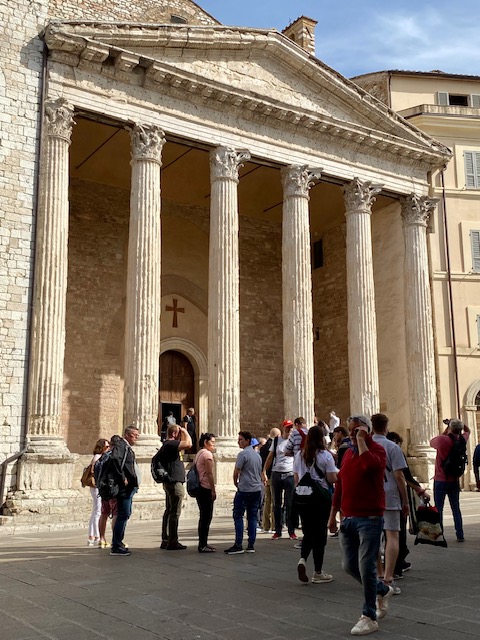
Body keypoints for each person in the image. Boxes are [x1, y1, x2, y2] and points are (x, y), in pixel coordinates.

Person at [328, 415, 394, 636]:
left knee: (367, 568)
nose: (353, 434)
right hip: (349, 518)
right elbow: (340, 485)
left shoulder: (377, 451)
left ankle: (369, 616)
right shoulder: (347, 454)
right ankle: (382, 589)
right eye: (351, 430)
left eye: (358, 430)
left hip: (370, 518)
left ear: (367, 430)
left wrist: (364, 441)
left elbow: (368, 467)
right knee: (349, 566)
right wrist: (332, 514)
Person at [293, 425, 338, 584]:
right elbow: (332, 478)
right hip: (320, 499)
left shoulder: (299, 455)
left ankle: (303, 559)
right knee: (320, 534)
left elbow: (296, 478)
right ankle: (318, 572)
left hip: (303, 498)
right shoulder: (326, 456)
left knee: (308, 532)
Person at [371, 413, 409, 595]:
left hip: (371, 494)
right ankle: (388, 578)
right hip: (391, 495)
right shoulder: (393, 447)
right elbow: (399, 476)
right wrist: (405, 500)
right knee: (392, 535)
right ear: (386, 427)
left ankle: (378, 575)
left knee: (374, 536)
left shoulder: (367, 446)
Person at [386, 431, 429, 577]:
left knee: (385, 534)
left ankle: (387, 568)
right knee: (397, 534)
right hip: (394, 497)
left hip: (378, 497)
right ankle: (396, 567)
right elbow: (403, 476)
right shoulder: (395, 451)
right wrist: (417, 492)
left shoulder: (375, 449)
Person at [430, 418, 470, 542]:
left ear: (450, 428)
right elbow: (468, 430)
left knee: (439, 508)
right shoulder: (463, 439)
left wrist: (446, 429)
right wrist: (460, 424)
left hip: (441, 479)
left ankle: (440, 534)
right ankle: (460, 534)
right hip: (454, 480)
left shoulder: (443, 439)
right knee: (456, 508)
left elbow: (432, 442)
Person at [224, 431, 263, 554]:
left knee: (238, 516)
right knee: (252, 517)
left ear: (247, 441)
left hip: (245, 489)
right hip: (256, 489)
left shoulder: (243, 454)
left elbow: (236, 472)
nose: (238, 441)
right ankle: (251, 544)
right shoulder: (257, 455)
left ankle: (238, 544)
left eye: (241, 439)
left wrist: (236, 483)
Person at [262, 420, 297, 540]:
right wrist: (264, 472)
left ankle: (291, 530)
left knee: (290, 503)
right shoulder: (277, 441)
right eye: (288, 428)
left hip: (290, 474)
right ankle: (277, 530)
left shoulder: (294, 441)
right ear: (283, 428)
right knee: (276, 504)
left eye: (291, 428)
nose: (289, 430)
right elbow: (270, 457)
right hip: (276, 473)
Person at [159, 424, 192, 550]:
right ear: (174, 434)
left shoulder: (167, 445)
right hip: (174, 483)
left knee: (169, 511)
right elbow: (188, 444)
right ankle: (172, 540)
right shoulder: (171, 444)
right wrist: (185, 431)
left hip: (170, 481)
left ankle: (166, 539)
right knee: (174, 513)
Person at [110, 426, 139, 556]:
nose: (137, 438)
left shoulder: (125, 446)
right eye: (135, 435)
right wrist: (123, 477)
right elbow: (115, 459)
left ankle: (119, 542)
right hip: (124, 488)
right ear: (127, 435)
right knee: (123, 514)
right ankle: (116, 545)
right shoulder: (122, 445)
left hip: (128, 487)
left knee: (125, 514)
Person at [97, 435, 122, 549]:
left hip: (103, 489)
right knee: (116, 514)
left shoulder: (102, 457)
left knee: (104, 513)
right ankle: (116, 540)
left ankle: (102, 538)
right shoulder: (114, 456)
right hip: (113, 488)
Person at [195, 432, 217, 553]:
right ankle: (202, 544)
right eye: (212, 442)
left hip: (199, 487)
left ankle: (203, 542)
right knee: (206, 517)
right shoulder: (207, 454)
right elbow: (209, 473)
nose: (214, 444)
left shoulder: (199, 453)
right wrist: (213, 489)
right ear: (205, 442)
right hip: (205, 488)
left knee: (204, 516)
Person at [87, 438, 109, 547]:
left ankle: (91, 535)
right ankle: (96, 535)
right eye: (106, 447)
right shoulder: (98, 457)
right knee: (98, 511)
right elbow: (93, 471)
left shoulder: (97, 457)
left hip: (95, 486)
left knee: (95, 510)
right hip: (96, 486)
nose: (108, 449)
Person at [259, 428, 280, 533]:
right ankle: (274, 525)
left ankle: (265, 525)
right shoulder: (275, 446)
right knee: (275, 500)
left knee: (267, 501)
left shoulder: (262, 448)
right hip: (273, 475)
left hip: (265, 475)